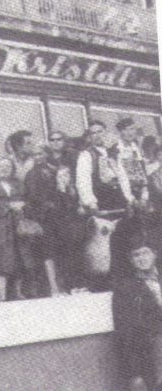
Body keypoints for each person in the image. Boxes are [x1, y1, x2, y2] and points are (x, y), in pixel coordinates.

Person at [76, 120, 135, 286]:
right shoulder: (87, 155)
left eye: (100, 131)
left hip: (119, 202)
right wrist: (90, 202)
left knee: (123, 239)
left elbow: (122, 177)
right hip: (102, 203)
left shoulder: (113, 154)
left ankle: (125, 277)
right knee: (104, 244)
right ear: (89, 137)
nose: (97, 135)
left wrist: (129, 197)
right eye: (93, 132)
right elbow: (83, 181)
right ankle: (107, 281)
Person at [113, 244, 162, 391]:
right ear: (130, 260)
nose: (142, 258)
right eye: (136, 255)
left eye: (145, 253)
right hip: (149, 349)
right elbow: (126, 327)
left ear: (155, 254)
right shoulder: (126, 288)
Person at [0, 157, 32, 302]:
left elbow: (27, 200)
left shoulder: (18, 184)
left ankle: (18, 291)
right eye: (1, 166)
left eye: (7, 166)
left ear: (12, 169)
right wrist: (10, 206)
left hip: (17, 225)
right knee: (1, 260)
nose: (4, 169)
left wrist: (23, 205)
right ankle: (2, 294)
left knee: (20, 257)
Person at [24, 145, 63, 297]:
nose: (38, 157)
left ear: (46, 154)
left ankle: (61, 284)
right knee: (48, 252)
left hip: (58, 216)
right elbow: (33, 196)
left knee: (59, 249)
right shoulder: (31, 174)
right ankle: (53, 287)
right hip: (43, 217)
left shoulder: (54, 170)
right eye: (34, 154)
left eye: (40, 153)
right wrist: (47, 205)